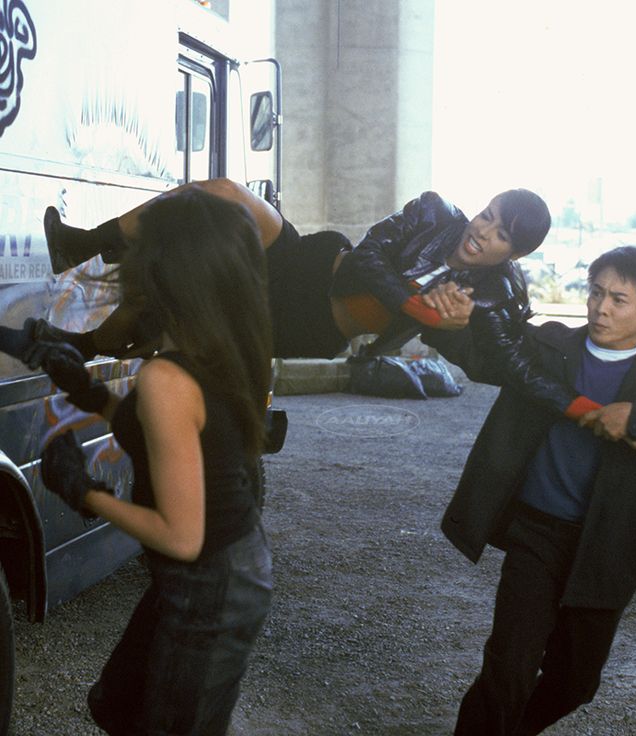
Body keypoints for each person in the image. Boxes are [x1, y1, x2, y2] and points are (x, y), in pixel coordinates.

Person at [434, 246, 636, 735]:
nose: (600, 308)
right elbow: (483, 358)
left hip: (606, 545)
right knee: (508, 669)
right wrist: (447, 320)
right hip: (535, 534)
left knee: (575, 682)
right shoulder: (548, 347)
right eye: (595, 292)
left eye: (618, 299)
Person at [27, 179, 600, 419]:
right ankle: (84, 244)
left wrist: (584, 408)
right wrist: (415, 306)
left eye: (500, 234)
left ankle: (82, 346)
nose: (482, 231)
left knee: (176, 297)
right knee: (225, 194)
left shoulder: (493, 299)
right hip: (307, 262)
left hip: (310, 323)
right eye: (488, 215)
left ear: (514, 254)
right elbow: (373, 255)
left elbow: (510, 365)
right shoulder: (433, 212)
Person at [36, 187, 274, 735]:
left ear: (167, 268)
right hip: (224, 567)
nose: (126, 260)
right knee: (119, 706)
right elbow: (183, 434)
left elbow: (181, 535)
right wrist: (94, 396)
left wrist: (84, 492)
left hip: (211, 583)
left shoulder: (166, 377)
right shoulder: (221, 342)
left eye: (137, 248)